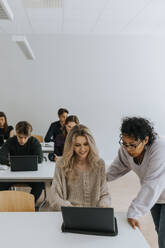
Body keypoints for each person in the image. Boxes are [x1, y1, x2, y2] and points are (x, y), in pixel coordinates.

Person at [106, 117, 165, 248]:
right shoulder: (126, 149)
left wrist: (134, 213)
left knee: (164, 238)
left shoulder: (160, 148)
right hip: (156, 198)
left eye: (132, 145)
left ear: (145, 140)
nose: (128, 149)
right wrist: (98, 180)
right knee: (159, 230)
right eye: (124, 143)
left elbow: (152, 184)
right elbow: (116, 168)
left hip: (158, 190)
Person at [50, 124, 111, 211]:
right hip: (70, 212)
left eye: (86, 144)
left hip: (94, 213)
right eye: (77, 145)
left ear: (91, 144)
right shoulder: (61, 163)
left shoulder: (99, 164)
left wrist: (104, 206)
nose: (82, 149)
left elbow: (104, 194)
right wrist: (69, 208)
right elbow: (54, 195)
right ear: (71, 146)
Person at [0, 121, 44, 202]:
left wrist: (16, 162)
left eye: (25, 137)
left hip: (31, 175)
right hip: (12, 175)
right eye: (20, 137)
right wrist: (9, 162)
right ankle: (6, 204)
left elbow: (40, 159)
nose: (22, 140)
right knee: (1, 185)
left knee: (39, 184)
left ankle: (30, 203)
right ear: (16, 133)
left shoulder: (34, 141)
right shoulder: (11, 141)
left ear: (29, 136)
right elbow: (1, 156)